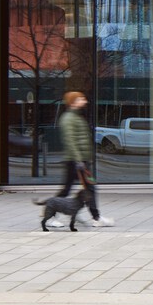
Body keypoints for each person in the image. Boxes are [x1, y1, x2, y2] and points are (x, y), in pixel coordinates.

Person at [50, 91, 112, 228]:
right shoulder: (68, 119)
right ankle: (95, 218)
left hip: (79, 160)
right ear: (72, 102)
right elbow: (70, 141)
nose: (84, 101)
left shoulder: (77, 117)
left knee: (78, 189)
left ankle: (94, 217)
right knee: (81, 189)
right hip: (75, 161)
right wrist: (78, 160)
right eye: (81, 99)